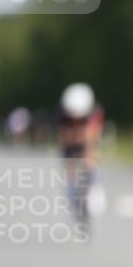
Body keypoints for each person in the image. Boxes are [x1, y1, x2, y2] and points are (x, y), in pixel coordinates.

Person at [57, 83, 106, 221]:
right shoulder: (63, 115)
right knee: (68, 163)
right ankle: (71, 187)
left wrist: (88, 152)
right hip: (70, 144)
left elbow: (94, 135)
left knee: (92, 154)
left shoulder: (95, 112)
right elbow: (64, 138)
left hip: (88, 139)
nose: (76, 119)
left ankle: (95, 184)